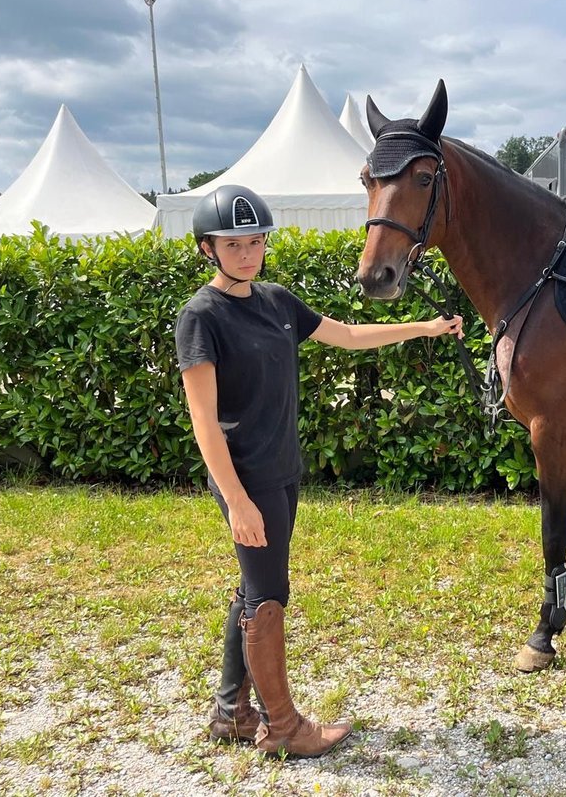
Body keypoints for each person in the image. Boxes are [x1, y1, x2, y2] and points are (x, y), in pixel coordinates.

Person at [175, 184, 462, 758]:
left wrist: (422, 328)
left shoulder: (276, 300)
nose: (248, 254)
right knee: (268, 595)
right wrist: (236, 500)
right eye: (234, 244)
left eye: (256, 242)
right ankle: (282, 728)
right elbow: (203, 421)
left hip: (282, 469)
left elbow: (347, 336)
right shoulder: (201, 317)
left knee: (253, 587)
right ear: (207, 248)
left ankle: (231, 711)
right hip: (245, 476)